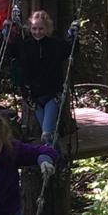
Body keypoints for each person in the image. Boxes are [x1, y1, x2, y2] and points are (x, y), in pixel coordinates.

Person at [15, 10, 76, 144]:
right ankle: (54, 157)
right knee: (48, 133)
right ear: (30, 28)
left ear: (47, 28)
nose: (37, 32)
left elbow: (70, 49)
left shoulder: (55, 44)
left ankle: (50, 155)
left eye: (41, 28)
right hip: (34, 96)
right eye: (34, 28)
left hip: (52, 94)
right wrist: (6, 33)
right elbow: (13, 57)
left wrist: (72, 34)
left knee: (47, 133)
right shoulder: (26, 46)